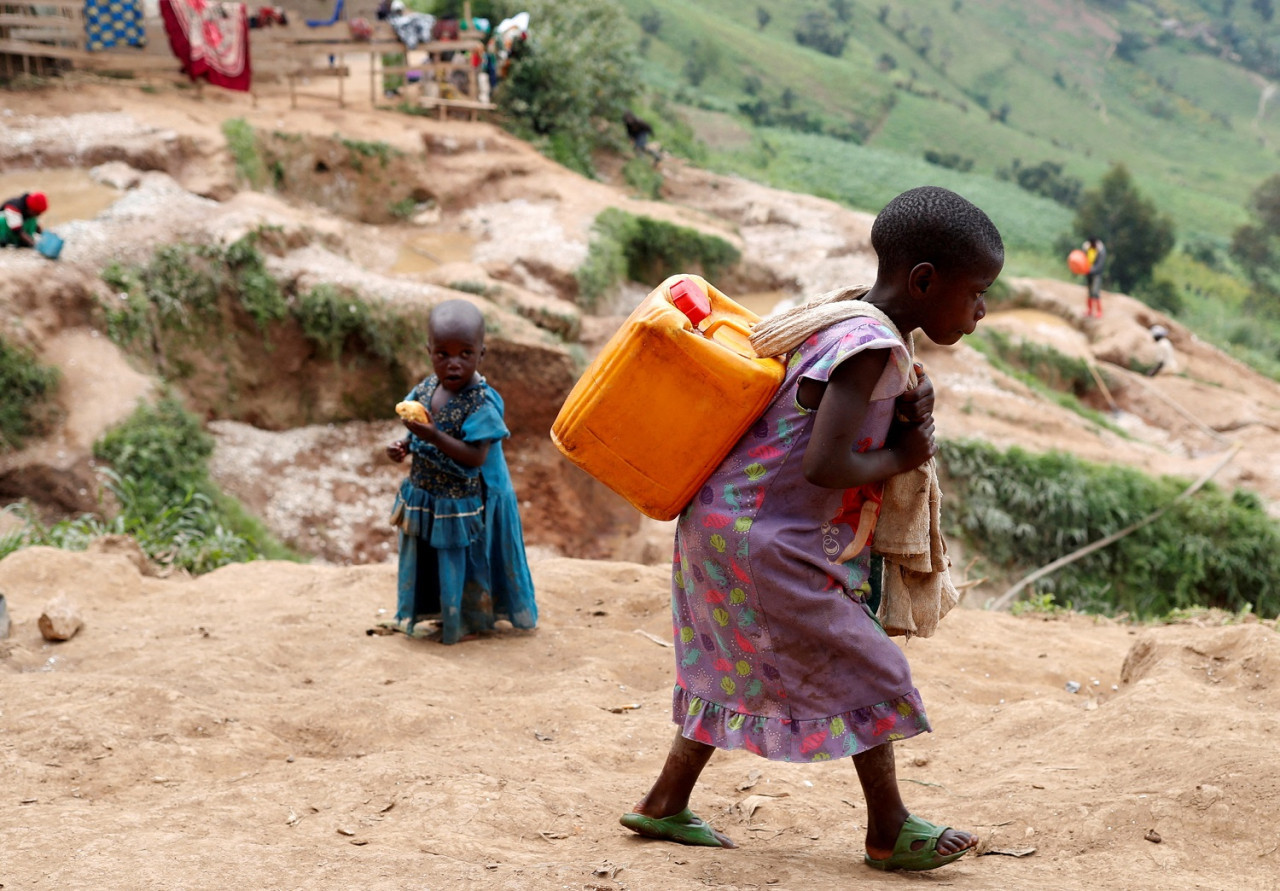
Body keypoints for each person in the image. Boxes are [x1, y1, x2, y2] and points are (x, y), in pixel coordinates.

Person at [620, 186, 1004, 872]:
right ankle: (889, 828)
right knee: (869, 664)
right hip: (767, 542)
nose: (983, 309)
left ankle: (663, 800)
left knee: (726, 663)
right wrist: (905, 454)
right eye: (976, 291)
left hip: (721, 523)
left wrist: (909, 404)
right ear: (924, 281)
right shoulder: (870, 348)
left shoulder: (848, 313)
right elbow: (829, 463)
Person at [383, 299, 537, 644]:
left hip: (469, 499)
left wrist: (434, 436)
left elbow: (475, 457)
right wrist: (404, 445)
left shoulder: (482, 403)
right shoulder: (424, 390)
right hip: (429, 495)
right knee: (433, 556)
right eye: (443, 354)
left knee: (468, 560)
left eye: (465, 354)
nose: (453, 364)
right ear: (429, 352)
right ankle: (439, 612)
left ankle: (468, 620)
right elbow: (415, 426)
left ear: (481, 354)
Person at [1083, 236, 1106, 318]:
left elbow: (1100, 265)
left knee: (1095, 292)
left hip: (1096, 274)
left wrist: (1091, 270)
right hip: (1088, 273)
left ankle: (1099, 312)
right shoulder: (1087, 248)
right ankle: (1089, 310)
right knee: (1089, 292)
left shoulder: (1101, 251)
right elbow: (1083, 259)